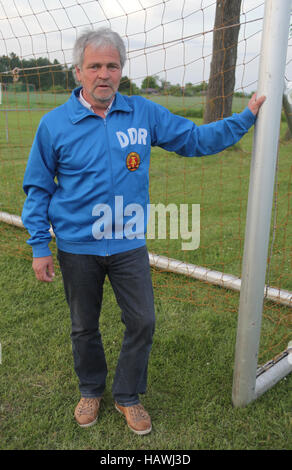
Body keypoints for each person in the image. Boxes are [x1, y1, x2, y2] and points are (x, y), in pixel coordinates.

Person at [21, 27, 265, 435]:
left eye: (112, 65)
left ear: (122, 70)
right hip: (77, 245)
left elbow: (194, 139)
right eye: (95, 66)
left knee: (143, 321)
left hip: (128, 242)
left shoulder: (143, 113)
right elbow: (38, 187)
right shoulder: (53, 125)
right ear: (78, 71)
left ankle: (128, 395)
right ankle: (90, 389)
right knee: (84, 325)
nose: (104, 74)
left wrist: (246, 119)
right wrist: (39, 246)